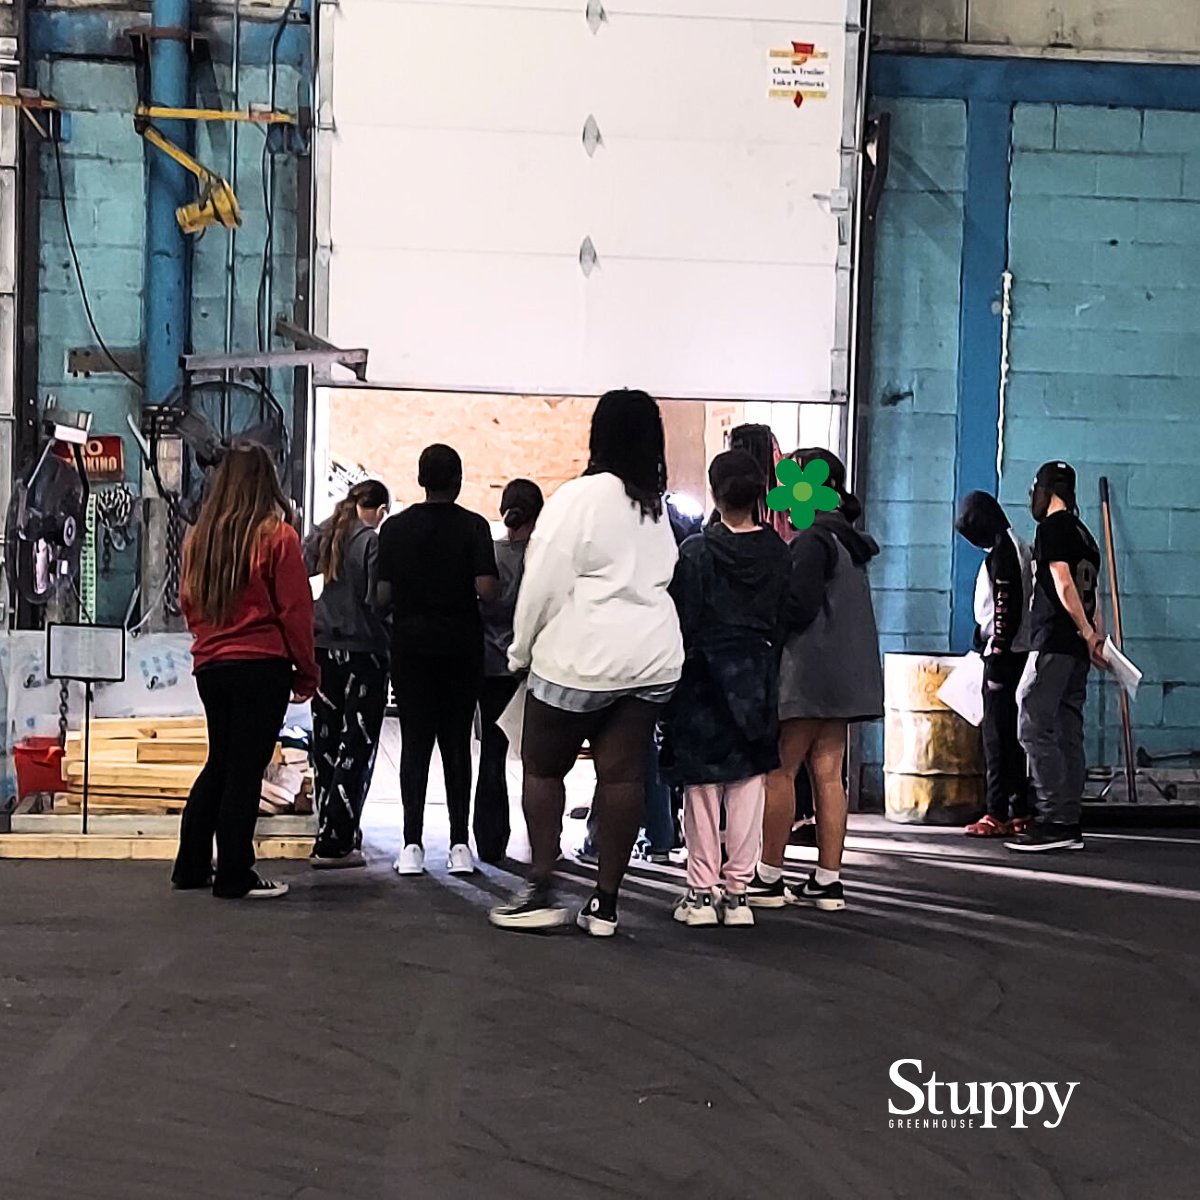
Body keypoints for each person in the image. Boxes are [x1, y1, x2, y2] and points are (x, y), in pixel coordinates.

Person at [489, 389, 684, 936]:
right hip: (651, 661)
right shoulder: (655, 506)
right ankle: (605, 903)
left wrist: (520, 650)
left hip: (579, 661)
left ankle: (541, 888)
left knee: (543, 767)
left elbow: (542, 582)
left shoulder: (579, 498)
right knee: (622, 777)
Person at [172, 444, 318, 900]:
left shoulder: (199, 538)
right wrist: (307, 672)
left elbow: (187, 601)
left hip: (212, 666)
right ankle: (235, 872)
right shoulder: (278, 537)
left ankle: (192, 865)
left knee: (220, 763)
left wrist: (210, 643)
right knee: (245, 769)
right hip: (262, 666)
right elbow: (296, 611)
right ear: (265, 482)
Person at [750, 449, 883, 912]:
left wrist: (767, 628)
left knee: (779, 771)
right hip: (846, 677)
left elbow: (799, 607)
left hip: (805, 675)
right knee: (828, 776)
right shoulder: (851, 542)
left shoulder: (812, 542)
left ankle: (768, 874)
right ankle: (828, 880)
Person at [661, 450, 788, 928]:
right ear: (758, 496)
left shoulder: (696, 551)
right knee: (748, 783)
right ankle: (738, 893)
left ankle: (700, 891)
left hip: (702, 678)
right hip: (756, 674)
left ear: (714, 493)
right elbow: (784, 614)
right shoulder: (776, 552)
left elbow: (682, 618)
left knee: (702, 787)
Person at [376, 445, 499, 877]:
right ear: (459, 480)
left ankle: (411, 845)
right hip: (461, 648)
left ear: (420, 479)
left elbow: (381, 596)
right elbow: (487, 589)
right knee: (456, 746)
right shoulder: (474, 527)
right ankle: (459, 845)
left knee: (415, 744)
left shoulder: (394, 528)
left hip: (410, 648)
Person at [1008, 461, 1105, 854]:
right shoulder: (1086, 536)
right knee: (1067, 730)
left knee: (1031, 722)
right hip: (1077, 650)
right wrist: (1095, 638)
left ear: (1044, 490)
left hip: (1054, 642)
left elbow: (1064, 584)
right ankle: (1068, 818)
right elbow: (1092, 595)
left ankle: (1053, 819)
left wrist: (1084, 632)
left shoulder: (1052, 529)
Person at [305, 478, 392, 868]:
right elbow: (377, 599)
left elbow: (301, 566)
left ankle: (327, 825)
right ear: (375, 509)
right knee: (356, 745)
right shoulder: (371, 542)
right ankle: (337, 840)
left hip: (323, 649)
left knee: (325, 742)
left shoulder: (325, 532)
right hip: (364, 653)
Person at [955, 491, 1035, 838]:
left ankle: (996, 811)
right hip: (1017, 651)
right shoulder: (1018, 545)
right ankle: (1019, 809)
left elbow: (1006, 605)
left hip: (1003, 655)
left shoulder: (1003, 554)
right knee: (1011, 735)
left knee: (996, 737)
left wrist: (997, 648)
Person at [475, 478, 544, 864]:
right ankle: (542, 844)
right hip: (534, 670)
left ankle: (489, 841)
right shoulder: (545, 558)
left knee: (492, 755)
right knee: (541, 764)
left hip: (490, 666)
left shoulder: (490, 556)